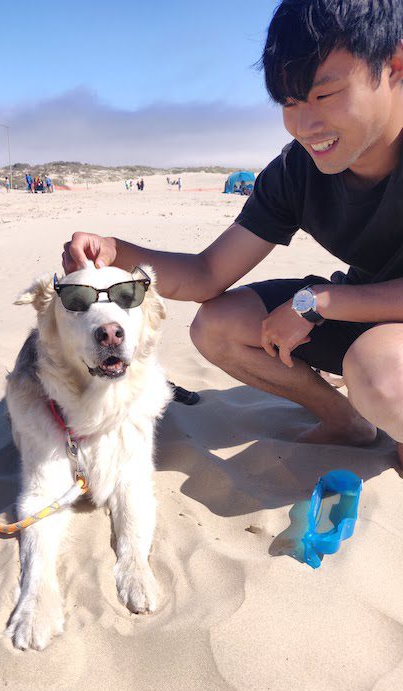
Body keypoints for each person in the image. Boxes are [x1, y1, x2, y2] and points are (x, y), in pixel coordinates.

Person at [62, 0, 403, 468]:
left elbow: (324, 305)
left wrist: (319, 302)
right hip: (368, 310)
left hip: (377, 340)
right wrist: (117, 252)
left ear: (395, 66)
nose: (305, 126)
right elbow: (207, 273)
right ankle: (345, 420)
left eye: (324, 96)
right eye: (289, 101)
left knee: (381, 371)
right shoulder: (297, 172)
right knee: (216, 325)